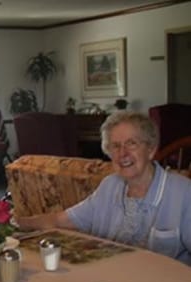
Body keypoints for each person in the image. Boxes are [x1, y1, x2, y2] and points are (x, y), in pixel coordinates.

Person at [16, 111, 191, 265]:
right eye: (115, 146)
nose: (123, 154)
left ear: (151, 150)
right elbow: (60, 220)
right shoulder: (110, 185)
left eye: (132, 143)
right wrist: (16, 223)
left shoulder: (182, 192)